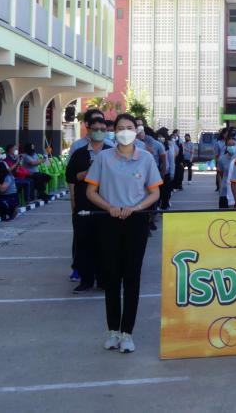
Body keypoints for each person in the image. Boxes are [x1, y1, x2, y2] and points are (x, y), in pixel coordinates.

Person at [86, 113, 162, 354]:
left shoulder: (146, 158)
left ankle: (127, 333)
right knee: (111, 276)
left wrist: (137, 208)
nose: (125, 131)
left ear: (136, 130)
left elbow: (155, 192)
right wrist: (109, 207)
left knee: (132, 277)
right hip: (109, 221)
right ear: (114, 131)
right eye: (121, 127)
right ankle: (112, 331)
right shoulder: (103, 158)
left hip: (136, 222)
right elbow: (91, 191)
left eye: (130, 127)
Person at [67, 116, 113, 294]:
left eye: (103, 129)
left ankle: (103, 280)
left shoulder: (112, 151)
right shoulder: (80, 153)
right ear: (89, 130)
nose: (99, 132)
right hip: (84, 204)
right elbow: (70, 176)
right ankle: (86, 280)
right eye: (96, 129)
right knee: (84, 242)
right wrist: (84, 174)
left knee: (105, 243)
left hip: (106, 204)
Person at [217, 133, 236, 209]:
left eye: (233, 144)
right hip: (225, 192)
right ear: (226, 146)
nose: (231, 147)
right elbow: (221, 174)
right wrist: (220, 188)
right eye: (229, 145)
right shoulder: (222, 159)